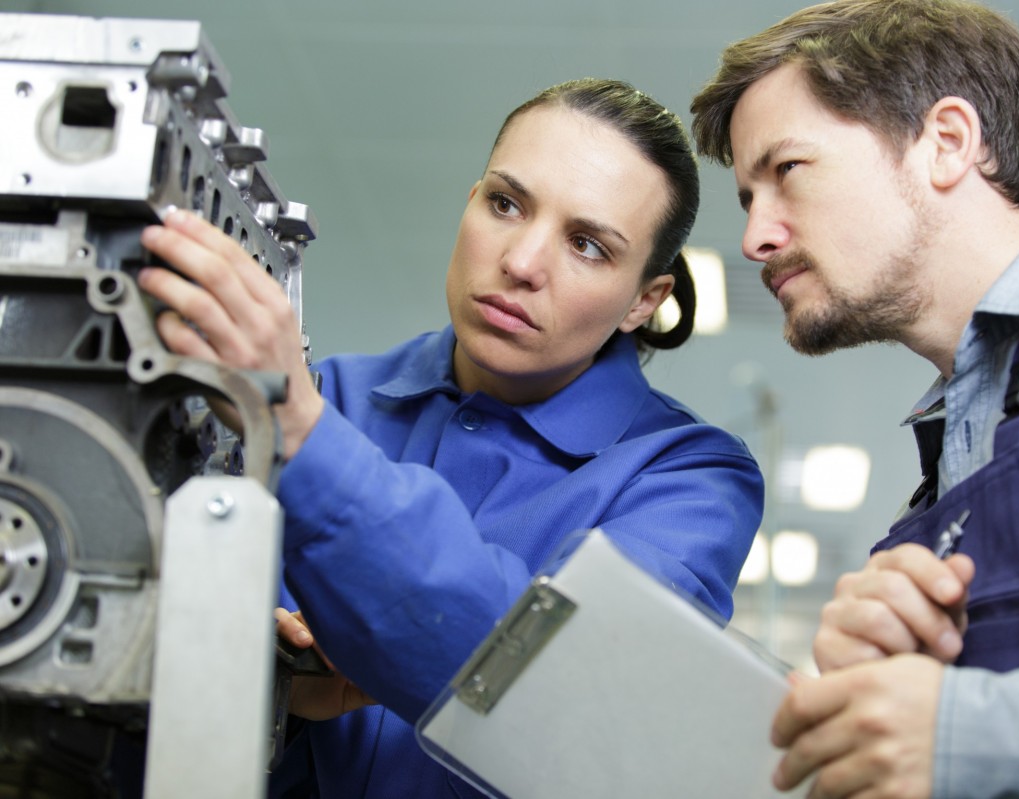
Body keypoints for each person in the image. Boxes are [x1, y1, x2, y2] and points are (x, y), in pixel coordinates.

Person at [137, 78, 764, 797]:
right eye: (506, 203)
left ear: (643, 301)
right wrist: (281, 696)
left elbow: (567, 690)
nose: (523, 263)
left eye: (588, 245)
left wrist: (305, 440)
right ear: (470, 203)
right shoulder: (330, 395)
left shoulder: (690, 478)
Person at [690, 0, 1019, 796]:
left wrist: (968, 731)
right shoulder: (939, 482)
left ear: (948, 143)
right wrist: (876, 705)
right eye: (747, 201)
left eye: (786, 171)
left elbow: (994, 737)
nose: (756, 236)